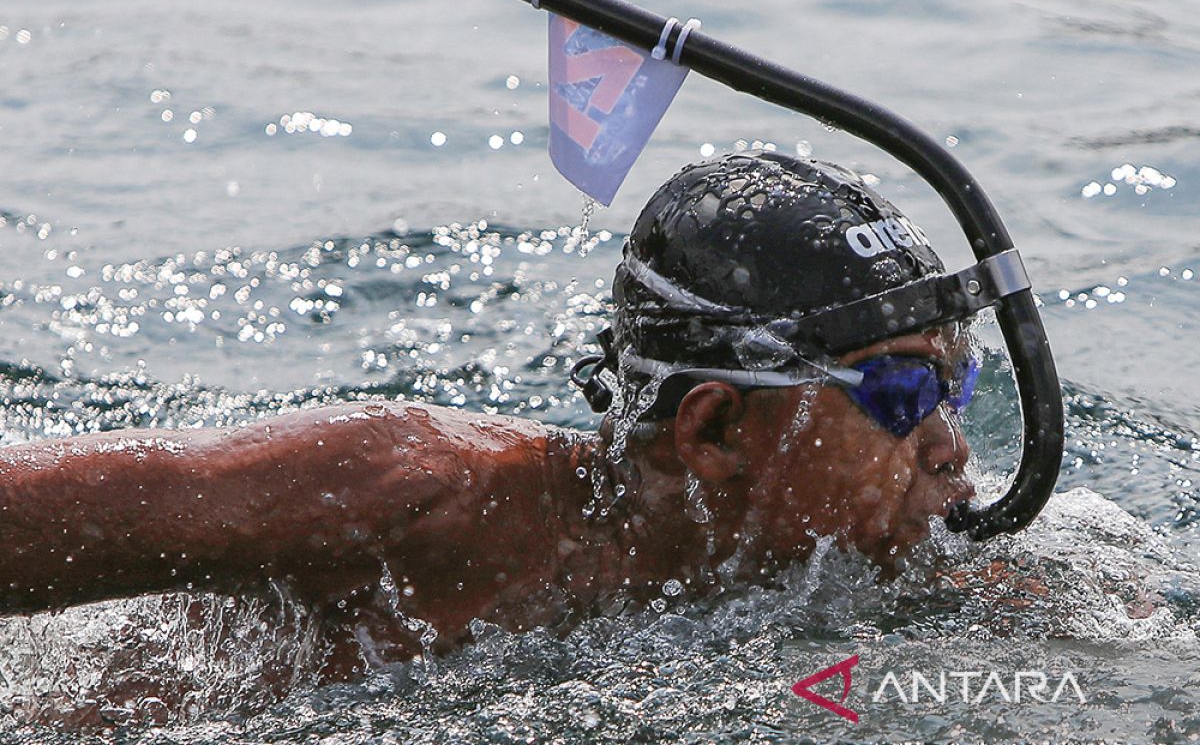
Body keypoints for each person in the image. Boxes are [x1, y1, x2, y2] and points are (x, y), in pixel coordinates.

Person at [0, 151, 976, 678]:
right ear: (711, 430)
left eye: (958, 382)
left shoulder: (888, 564)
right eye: (904, 394)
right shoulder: (413, 493)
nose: (951, 443)